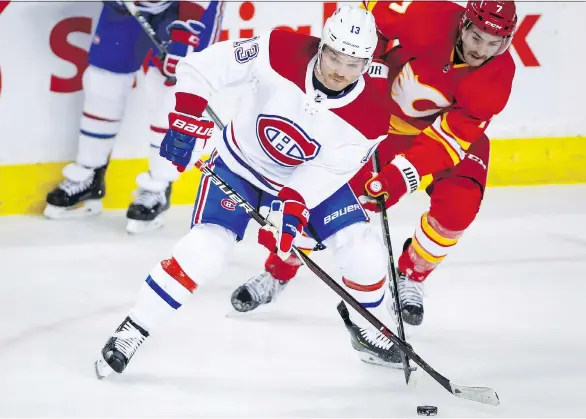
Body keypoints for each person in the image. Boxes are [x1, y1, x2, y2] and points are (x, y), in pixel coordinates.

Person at [94, 5, 395, 379]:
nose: (339, 70)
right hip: (239, 165)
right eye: (334, 56)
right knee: (205, 250)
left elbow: (328, 171)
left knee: (363, 248)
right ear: (322, 46)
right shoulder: (278, 48)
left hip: (306, 179)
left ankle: (369, 327)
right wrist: (186, 117)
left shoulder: (372, 115)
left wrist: (294, 204)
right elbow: (202, 66)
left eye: (353, 63)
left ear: (367, 63)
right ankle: (133, 328)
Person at [230, 0, 517, 367]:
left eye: (494, 42)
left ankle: (411, 275)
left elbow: (450, 140)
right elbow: (366, 16)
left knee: (458, 207)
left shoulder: (497, 79)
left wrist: (399, 177)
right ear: (463, 24)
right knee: (329, 205)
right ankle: (278, 271)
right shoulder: (427, 14)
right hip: (385, 126)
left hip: (444, 138)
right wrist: (375, 67)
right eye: (476, 36)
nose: (481, 49)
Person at [44, 1, 225, 234]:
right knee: (103, 80)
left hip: (188, 8)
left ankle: (159, 185)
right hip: (129, 5)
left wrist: (187, 31)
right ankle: (88, 174)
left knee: (172, 89)